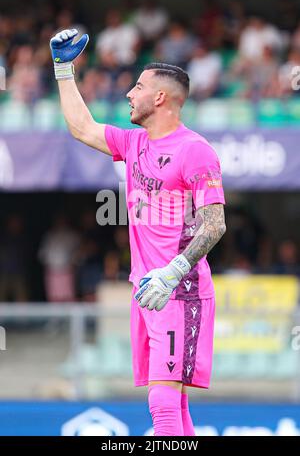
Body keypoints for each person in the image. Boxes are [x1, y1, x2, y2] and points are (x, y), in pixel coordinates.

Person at [50, 28, 226, 436]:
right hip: (146, 289)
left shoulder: (195, 150)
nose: (129, 93)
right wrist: (62, 68)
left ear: (160, 98)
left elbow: (215, 223)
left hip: (177, 289)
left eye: (138, 86)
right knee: (174, 403)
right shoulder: (133, 144)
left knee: (163, 402)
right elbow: (82, 128)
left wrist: (172, 272)